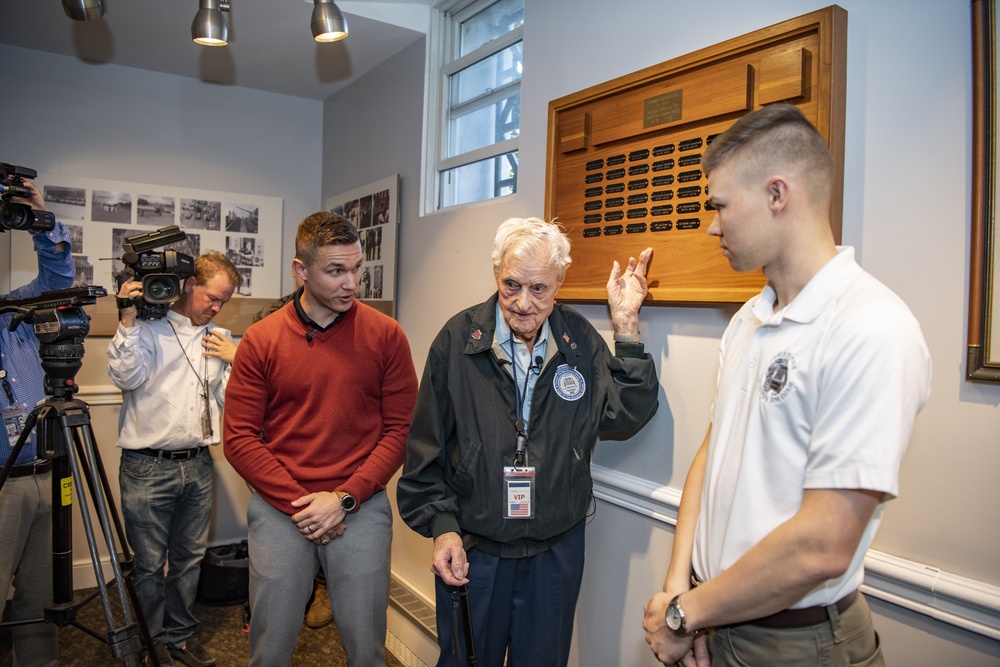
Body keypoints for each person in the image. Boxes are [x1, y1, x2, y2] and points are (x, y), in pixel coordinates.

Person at [641, 104, 932, 667]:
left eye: (720, 205)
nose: (711, 225)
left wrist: (686, 614)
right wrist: (682, 588)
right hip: (711, 617)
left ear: (778, 194)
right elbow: (712, 452)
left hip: (793, 643)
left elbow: (823, 545)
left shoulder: (871, 327)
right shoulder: (750, 318)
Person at [396, 217, 659, 666]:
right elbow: (426, 452)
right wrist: (442, 530)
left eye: (539, 289)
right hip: (474, 547)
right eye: (511, 284)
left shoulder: (578, 341)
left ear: (559, 283)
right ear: (496, 275)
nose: (522, 303)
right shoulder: (456, 341)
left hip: (555, 549)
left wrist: (627, 326)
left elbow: (622, 415)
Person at [223, 211, 418, 667]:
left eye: (356, 269)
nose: (351, 283)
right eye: (335, 271)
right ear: (300, 270)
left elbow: (400, 431)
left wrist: (344, 499)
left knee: (366, 650)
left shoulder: (386, 336)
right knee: (270, 649)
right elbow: (239, 439)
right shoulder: (261, 340)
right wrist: (302, 504)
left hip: (360, 507)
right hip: (280, 507)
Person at [108, 250, 241, 667]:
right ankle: (152, 645)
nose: (217, 307)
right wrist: (127, 322)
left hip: (199, 465)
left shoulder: (218, 337)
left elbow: (232, 404)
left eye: (224, 302)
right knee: (149, 566)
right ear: (189, 285)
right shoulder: (147, 329)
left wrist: (234, 361)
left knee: (188, 561)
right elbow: (125, 378)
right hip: (148, 467)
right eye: (212, 297)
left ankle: (179, 638)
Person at [0, 180, 75, 667]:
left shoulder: (15, 314)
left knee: (38, 598)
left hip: (47, 474)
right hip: (3, 486)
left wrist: (42, 222)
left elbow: (59, 278)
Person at [247, 275, 334, 631]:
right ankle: (300, 595)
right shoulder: (268, 322)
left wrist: (343, 499)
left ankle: (322, 588)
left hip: (337, 482)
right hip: (275, 463)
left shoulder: (373, 331)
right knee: (276, 587)